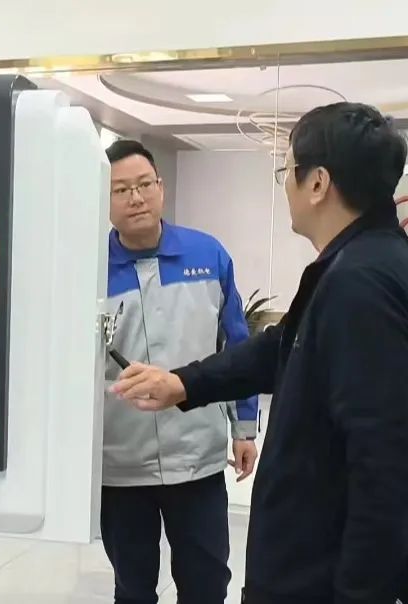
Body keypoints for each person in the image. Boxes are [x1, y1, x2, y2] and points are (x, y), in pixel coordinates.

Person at [111, 104, 408, 604]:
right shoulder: (367, 261)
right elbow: (281, 346)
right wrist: (183, 383)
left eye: (286, 170)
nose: (284, 185)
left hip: (320, 578)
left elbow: (384, 468)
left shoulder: (360, 284)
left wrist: (359, 593)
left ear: (318, 184)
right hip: (300, 559)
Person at [101, 139, 259, 604]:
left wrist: (244, 430)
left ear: (161, 187)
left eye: (144, 184)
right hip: (120, 464)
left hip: (197, 459)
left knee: (206, 585)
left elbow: (237, 348)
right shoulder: (86, 267)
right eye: (121, 189)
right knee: (132, 589)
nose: (136, 198)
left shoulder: (207, 255)